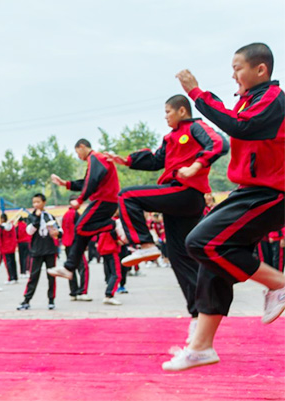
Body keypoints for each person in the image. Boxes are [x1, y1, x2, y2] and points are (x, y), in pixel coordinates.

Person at [162, 43, 285, 371]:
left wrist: (198, 94)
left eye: (238, 68)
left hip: (272, 193)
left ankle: (278, 282)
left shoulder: (273, 99)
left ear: (261, 70)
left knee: (201, 242)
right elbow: (236, 122)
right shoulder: (249, 101)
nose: (233, 74)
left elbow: (240, 126)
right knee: (209, 260)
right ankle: (201, 347)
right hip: (248, 190)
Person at [107, 94, 229, 338]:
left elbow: (219, 143)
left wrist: (196, 166)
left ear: (182, 111)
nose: (165, 117)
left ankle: (145, 244)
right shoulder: (171, 138)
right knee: (180, 257)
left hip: (185, 192)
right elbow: (155, 160)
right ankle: (198, 316)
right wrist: (127, 161)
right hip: (179, 201)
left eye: (168, 112)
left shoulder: (194, 127)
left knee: (127, 196)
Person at [47, 139, 120, 282]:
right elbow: (86, 182)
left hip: (104, 200)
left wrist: (80, 200)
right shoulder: (94, 161)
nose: (78, 156)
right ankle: (69, 268)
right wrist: (65, 183)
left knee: (80, 227)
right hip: (105, 201)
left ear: (82, 146)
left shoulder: (96, 157)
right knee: (83, 233)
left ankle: (114, 225)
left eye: (77, 152)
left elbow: (92, 181)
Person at [18, 194, 61, 311]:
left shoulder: (49, 216)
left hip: (50, 250)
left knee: (51, 276)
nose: (36, 204)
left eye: (38, 202)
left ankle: (51, 300)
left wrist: (57, 233)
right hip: (37, 250)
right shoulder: (31, 217)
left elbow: (59, 230)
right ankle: (26, 300)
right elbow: (30, 231)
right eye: (34, 202)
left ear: (44, 202)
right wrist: (36, 219)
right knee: (33, 276)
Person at [61, 196, 90, 301]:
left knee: (71, 269)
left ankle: (73, 292)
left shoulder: (65, 215)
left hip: (67, 244)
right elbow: (80, 230)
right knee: (84, 268)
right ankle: (82, 292)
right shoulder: (76, 214)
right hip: (76, 244)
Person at [97, 222, 124, 306]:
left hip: (104, 250)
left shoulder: (102, 224)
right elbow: (117, 238)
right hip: (111, 250)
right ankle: (109, 295)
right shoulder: (112, 224)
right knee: (116, 274)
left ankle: (109, 293)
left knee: (110, 273)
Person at [0, 213, 19, 285]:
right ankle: (15, 277)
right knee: (13, 262)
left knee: (8, 263)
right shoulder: (12, 226)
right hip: (12, 246)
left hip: (5, 247)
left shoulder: (1, 228)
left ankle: (10, 277)